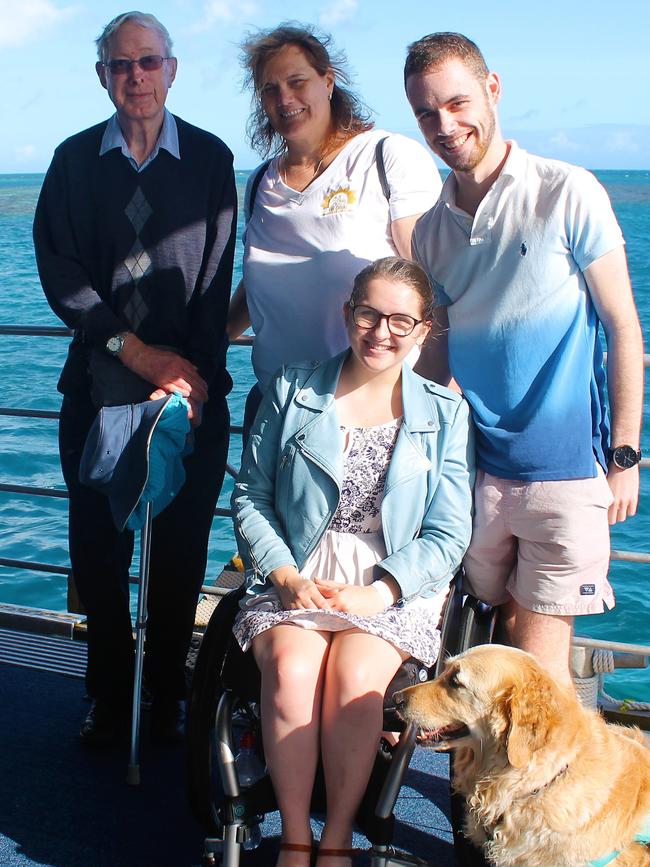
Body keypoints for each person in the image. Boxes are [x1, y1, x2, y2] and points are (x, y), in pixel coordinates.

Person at [404, 32, 644, 687]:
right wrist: (411, 443)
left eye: (457, 102)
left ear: (493, 89)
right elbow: (439, 343)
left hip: (563, 476)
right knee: (490, 648)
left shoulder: (567, 191)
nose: (445, 125)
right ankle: (484, 788)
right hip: (475, 472)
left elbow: (623, 324)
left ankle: (546, 791)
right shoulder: (430, 229)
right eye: (426, 112)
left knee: (538, 675)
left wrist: (625, 455)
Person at [33, 11, 237, 746]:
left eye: (150, 62)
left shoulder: (211, 160)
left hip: (191, 392)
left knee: (182, 551)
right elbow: (61, 275)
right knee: (98, 547)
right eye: (122, 65)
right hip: (97, 388)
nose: (137, 77)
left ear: (172, 70)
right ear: (103, 77)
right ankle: (110, 693)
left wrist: (193, 378)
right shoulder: (71, 160)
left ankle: (165, 693)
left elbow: (216, 287)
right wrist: (138, 354)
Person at [231, 257, 473, 867]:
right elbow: (251, 497)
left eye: (400, 320)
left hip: (389, 585)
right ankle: (294, 836)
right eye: (369, 313)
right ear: (348, 314)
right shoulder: (291, 390)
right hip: (298, 572)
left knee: (353, 687)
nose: (380, 331)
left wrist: (381, 591)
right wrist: (283, 574)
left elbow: (447, 534)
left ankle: (336, 838)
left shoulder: (445, 416)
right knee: (291, 671)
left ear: (423, 330)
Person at [227, 23, 442, 439]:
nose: (284, 98)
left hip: (367, 411)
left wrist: (437, 401)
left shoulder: (385, 157)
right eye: (270, 89)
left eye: (297, 82)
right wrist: (196, 352)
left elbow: (435, 287)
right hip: (275, 407)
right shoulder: (259, 183)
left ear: (328, 82)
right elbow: (259, 288)